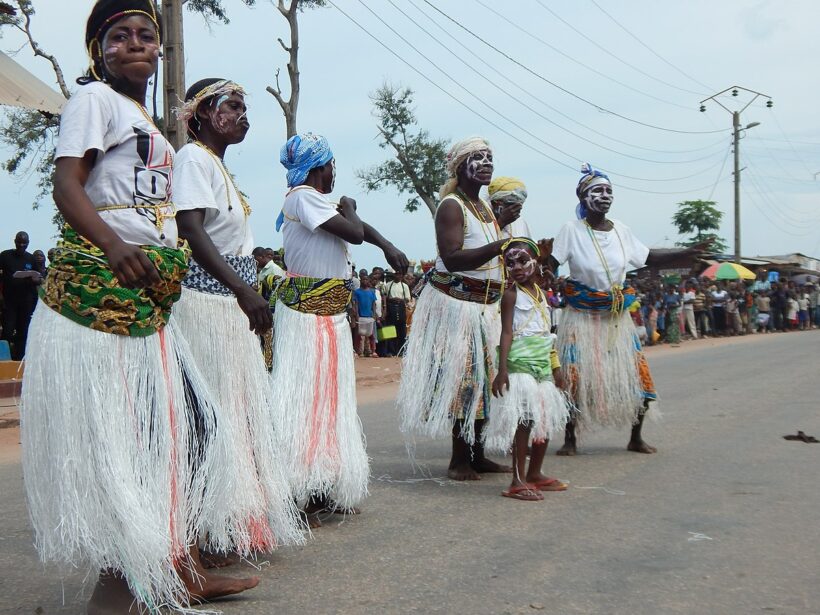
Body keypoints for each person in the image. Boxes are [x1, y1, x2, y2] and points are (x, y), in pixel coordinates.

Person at [20, 3, 251, 612]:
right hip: (101, 298)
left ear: (160, 51)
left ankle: (181, 565)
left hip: (146, 299)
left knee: (192, 428)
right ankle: (117, 592)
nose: (136, 44)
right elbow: (67, 184)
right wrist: (114, 243)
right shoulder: (93, 101)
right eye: (118, 36)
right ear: (99, 49)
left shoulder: (143, 119)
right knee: (137, 441)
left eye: (146, 35)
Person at [172, 78, 303, 559]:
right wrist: (243, 288)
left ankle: (222, 527)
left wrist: (243, 291)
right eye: (233, 107)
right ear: (203, 114)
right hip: (205, 307)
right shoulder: (192, 160)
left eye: (246, 108)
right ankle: (201, 538)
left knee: (236, 419)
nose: (244, 116)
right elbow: (190, 229)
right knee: (211, 421)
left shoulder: (215, 165)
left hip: (227, 307)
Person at [272, 132, 407, 525]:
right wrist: (350, 208)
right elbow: (354, 231)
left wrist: (386, 245)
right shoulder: (301, 196)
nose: (335, 173)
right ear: (320, 167)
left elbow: (358, 229)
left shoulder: (317, 202)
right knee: (308, 405)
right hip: (308, 319)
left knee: (330, 404)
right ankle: (302, 494)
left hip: (327, 318)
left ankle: (326, 486)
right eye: (332, 165)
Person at [549, 164, 706, 456]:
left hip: (617, 319)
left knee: (639, 378)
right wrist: (546, 278)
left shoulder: (622, 230)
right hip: (581, 317)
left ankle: (636, 437)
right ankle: (570, 439)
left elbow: (648, 257)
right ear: (583, 197)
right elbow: (551, 262)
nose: (605, 195)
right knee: (574, 378)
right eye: (598, 190)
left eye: (609, 190)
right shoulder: (571, 230)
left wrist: (684, 252)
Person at [399, 137, 515, 480]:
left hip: (482, 308)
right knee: (464, 380)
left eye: (490, 157)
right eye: (478, 158)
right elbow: (451, 257)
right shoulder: (452, 206)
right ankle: (459, 459)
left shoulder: (485, 208)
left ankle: (478, 454)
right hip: (456, 308)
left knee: (483, 381)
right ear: (460, 166)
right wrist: (499, 246)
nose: (487, 163)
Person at [488, 238, 570, 501]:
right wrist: (502, 370)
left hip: (543, 364)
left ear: (537, 263)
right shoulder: (511, 295)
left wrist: (556, 368)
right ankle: (517, 480)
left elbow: (547, 334)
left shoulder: (542, 296)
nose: (516, 267)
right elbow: (507, 333)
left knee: (542, 419)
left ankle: (535, 473)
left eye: (523, 261)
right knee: (525, 420)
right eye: (510, 263)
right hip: (520, 364)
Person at [0, 231, 40, 359]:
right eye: (19, 242)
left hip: (26, 301)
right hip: (9, 300)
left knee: (23, 332)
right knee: (7, 330)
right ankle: (4, 359)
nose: (22, 245)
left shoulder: (31, 259)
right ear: (15, 241)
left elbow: (38, 278)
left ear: (28, 243)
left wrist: (35, 279)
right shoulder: (5, 256)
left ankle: (19, 359)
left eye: (24, 243)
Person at [383, 268, 411, 356]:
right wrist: (392, 300)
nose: (398, 276)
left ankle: (400, 351)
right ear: (393, 275)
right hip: (390, 307)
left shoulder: (404, 286)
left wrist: (400, 300)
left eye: (400, 274)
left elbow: (407, 299)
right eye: (396, 274)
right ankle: (390, 351)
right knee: (390, 329)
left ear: (402, 276)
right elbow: (385, 297)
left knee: (401, 331)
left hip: (401, 307)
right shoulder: (387, 285)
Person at [353, 275, 378, 356]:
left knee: (371, 335)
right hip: (360, 315)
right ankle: (359, 351)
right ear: (360, 281)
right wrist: (356, 314)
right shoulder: (357, 292)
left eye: (366, 279)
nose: (365, 281)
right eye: (363, 279)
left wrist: (374, 314)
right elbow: (356, 304)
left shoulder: (371, 292)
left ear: (368, 281)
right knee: (359, 335)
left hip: (370, 316)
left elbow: (374, 304)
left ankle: (372, 351)